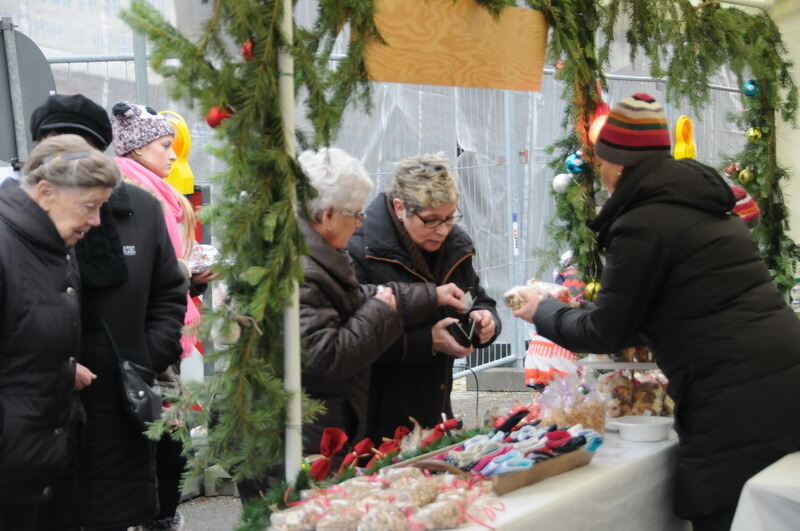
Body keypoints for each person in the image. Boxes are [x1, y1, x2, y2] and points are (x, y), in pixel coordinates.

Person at [510, 93, 800, 531]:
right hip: (779, 373)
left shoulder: (643, 222)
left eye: (602, 160)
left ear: (621, 164)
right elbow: (680, 306)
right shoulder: (701, 204)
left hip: (733, 393)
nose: (599, 171)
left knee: (725, 505)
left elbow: (608, 332)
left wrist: (542, 310)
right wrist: (583, 308)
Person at [28, 95, 188, 530]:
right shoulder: (20, 224)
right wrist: (56, 367)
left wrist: (143, 359)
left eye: (78, 145)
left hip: (123, 404)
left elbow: (168, 290)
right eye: (52, 143)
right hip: (41, 413)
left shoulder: (140, 209)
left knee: (120, 514)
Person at [0, 134, 120, 530]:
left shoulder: (53, 245)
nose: (97, 221)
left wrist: (60, 370)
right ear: (46, 191)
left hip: (41, 464)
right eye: (90, 206)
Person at [347, 153, 501, 443]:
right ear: (399, 207)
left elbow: (476, 298)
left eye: (450, 217)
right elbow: (352, 340)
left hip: (434, 405)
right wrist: (426, 341)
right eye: (431, 220)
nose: (442, 230)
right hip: (374, 417)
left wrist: (486, 320)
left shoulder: (455, 244)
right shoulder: (360, 249)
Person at [111, 101, 207, 531]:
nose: (173, 155)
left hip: (162, 329)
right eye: (165, 146)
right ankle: (159, 517)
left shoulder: (155, 191)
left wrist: (191, 278)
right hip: (152, 336)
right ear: (136, 149)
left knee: (170, 433)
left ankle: (162, 515)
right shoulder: (137, 195)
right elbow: (151, 272)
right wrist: (185, 273)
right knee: (167, 434)